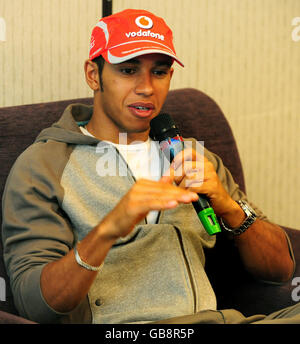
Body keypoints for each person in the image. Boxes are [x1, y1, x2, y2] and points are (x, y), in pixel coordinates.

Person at [1, 9, 297, 324]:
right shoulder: (44, 164)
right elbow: (35, 305)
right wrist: (107, 230)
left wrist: (229, 207)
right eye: (128, 70)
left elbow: (279, 270)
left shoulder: (194, 157)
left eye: (159, 71)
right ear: (93, 74)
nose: (146, 88)